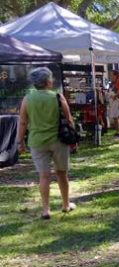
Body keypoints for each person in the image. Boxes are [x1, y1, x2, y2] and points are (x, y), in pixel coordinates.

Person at [16, 68, 76, 219]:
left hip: (37, 142)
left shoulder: (27, 98)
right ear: (48, 81)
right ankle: (65, 204)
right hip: (59, 141)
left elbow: (23, 122)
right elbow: (69, 120)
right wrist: (74, 139)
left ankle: (45, 210)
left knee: (44, 176)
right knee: (62, 174)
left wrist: (20, 142)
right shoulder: (57, 96)